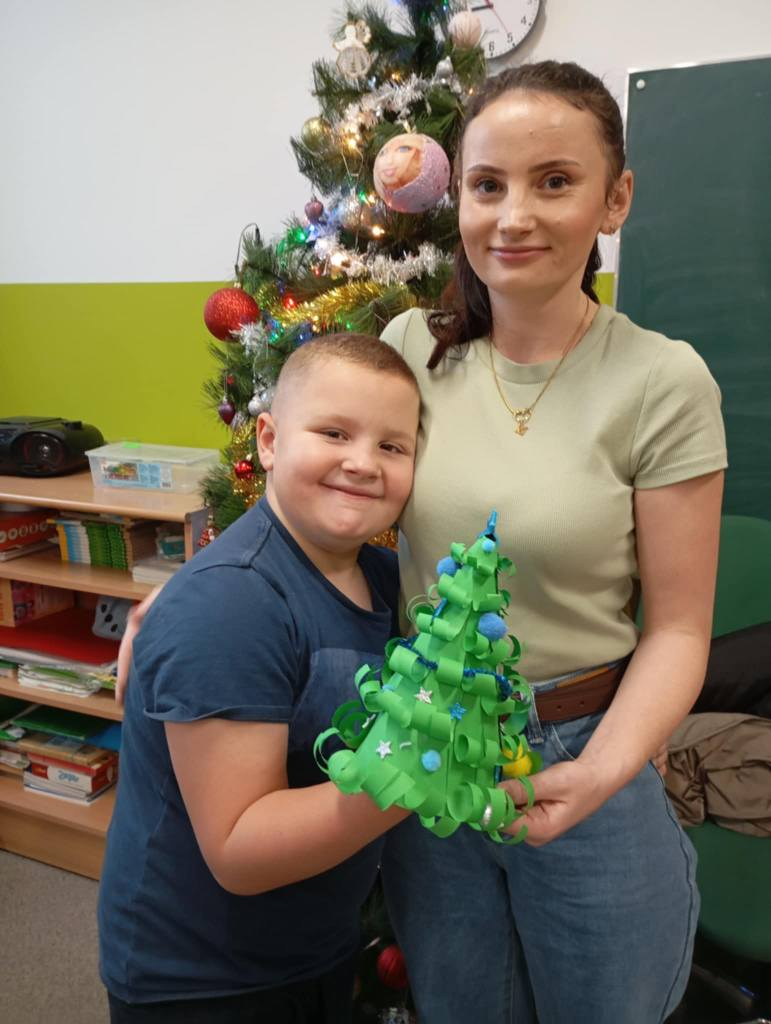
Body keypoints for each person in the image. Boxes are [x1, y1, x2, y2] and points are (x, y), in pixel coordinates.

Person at [377, 61, 727, 1024]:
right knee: (459, 1005)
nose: (513, 216)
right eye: (487, 185)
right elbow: (316, 507)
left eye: (555, 181)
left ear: (615, 199)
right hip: (431, 742)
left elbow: (678, 629)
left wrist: (601, 770)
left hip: (583, 744)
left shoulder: (662, 381)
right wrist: (192, 593)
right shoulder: (411, 348)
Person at [97, 333, 420, 1023]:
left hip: (313, 947)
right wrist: (421, 777)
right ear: (268, 441)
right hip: (200, 980)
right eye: (334, 433)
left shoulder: (388, 580)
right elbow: (240, 850)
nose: (363, 463)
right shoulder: (230, 604)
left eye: (393, 446)